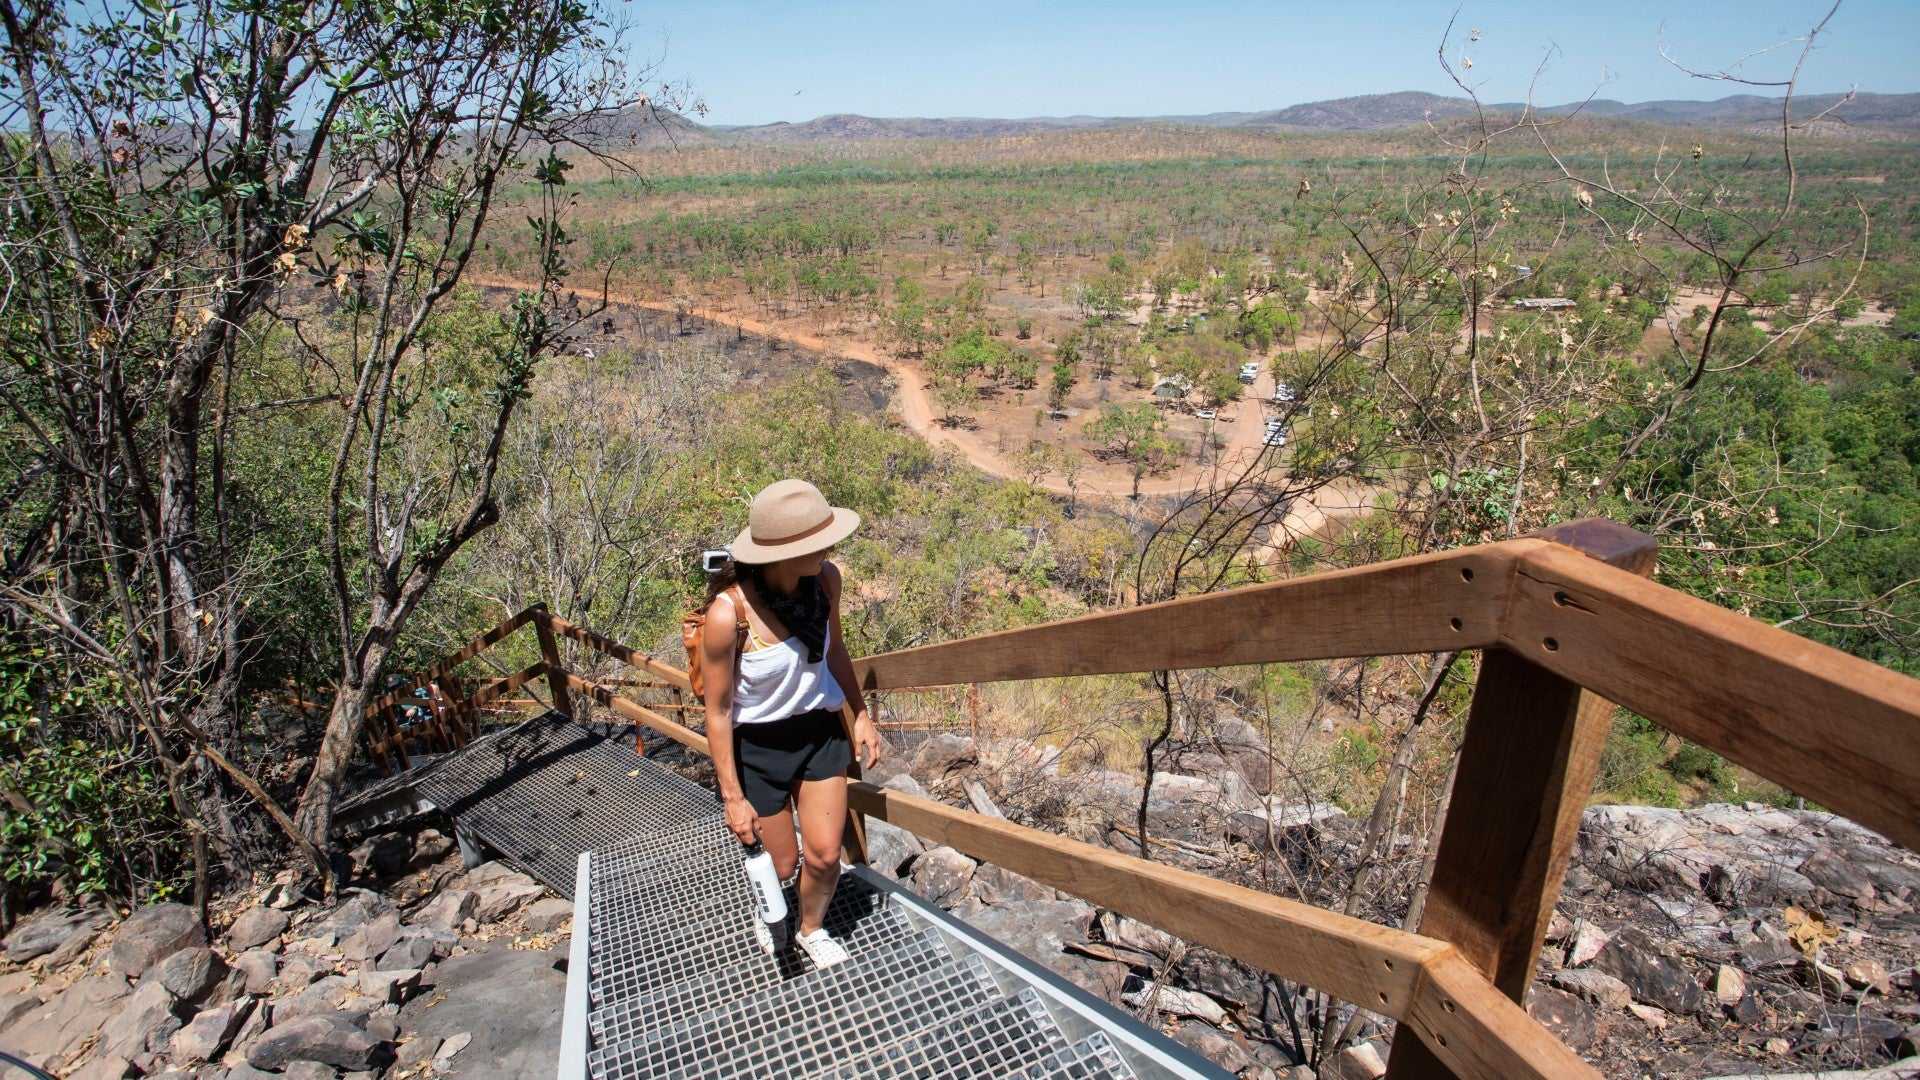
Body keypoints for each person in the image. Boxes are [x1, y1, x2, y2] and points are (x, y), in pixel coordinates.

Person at [699, 478, 882, 968]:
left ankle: (810, 928)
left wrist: (860, 714)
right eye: (815, 543)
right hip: (757, 746)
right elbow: (716, 712)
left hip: (818, 731)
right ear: (779, 553)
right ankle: (770, 908)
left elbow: (835, 650)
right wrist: (733, 799)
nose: (830, 548)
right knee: (782, 863)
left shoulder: (825, 581)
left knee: (824, 856)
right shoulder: (727, 614)